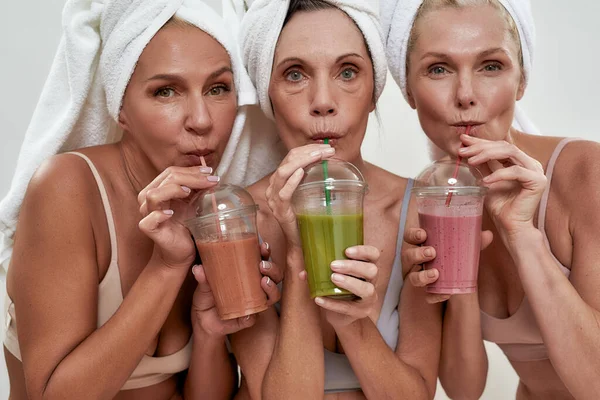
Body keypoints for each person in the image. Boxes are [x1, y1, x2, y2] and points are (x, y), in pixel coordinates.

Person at [1, 1, 284, 399]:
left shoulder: (214, 207)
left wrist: (207, 332)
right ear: (120, 107)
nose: (201, 119)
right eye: (166, 91)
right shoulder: (68, 189)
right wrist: (167, 267)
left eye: (218, 88)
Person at [381, 0, 600, 398]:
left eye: (490, 66)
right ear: (408, 89)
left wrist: (521, 235)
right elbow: (464, 389)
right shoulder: (429, 203)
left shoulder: (586, 173)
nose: (465, 95)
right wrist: (458, 283)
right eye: (438, 69)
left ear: (521, 80)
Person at [232, 0, 443, 399]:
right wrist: (297, 251)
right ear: (268, 95)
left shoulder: (416, 209)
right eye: (295, 74)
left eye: (347, 72)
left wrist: (352, 322)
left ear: (374, 92)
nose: (323, 100)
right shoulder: (241, 221)